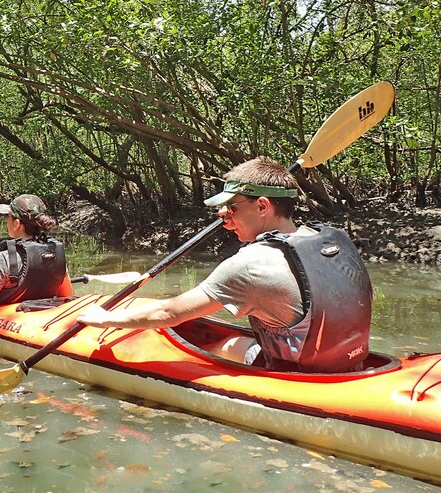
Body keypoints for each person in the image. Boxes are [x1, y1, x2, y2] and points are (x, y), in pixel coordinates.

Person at [77, 156, 372, 373]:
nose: (222, 215)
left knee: (223, 348)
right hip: (350, 361)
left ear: (262, 206)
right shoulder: (331, 239)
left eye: (231, 206)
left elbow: (168, 312)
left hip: (300, 374)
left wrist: (103, 319)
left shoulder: (251, 264)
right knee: (234, 341)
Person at [0, 194, 73, 316]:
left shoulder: (6, 258)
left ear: (17, 223)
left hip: (14, 322)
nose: (7, 221)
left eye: (8, 217)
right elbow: (66, 295)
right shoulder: (55, 252)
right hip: (43, 320)